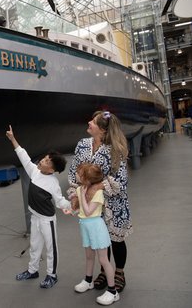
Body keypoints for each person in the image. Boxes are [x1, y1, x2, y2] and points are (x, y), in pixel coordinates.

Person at [68, 110, 132, 293]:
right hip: (92, 204)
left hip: (114, 204)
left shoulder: (116, 149)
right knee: (100, 241)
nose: (89, 122)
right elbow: (74, 172)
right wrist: (76, 194)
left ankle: (119, 272)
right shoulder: (82, 145)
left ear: (103, 130)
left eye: (93, 122)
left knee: (116, 240)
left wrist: (96, 187)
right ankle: (105, 270)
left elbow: (121, 180)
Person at [6, 125, 72, 289]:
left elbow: (60, 201)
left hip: (47, 220)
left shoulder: (53, 184)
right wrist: (13, 139)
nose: (43, 160)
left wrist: (73, 205)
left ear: (52, 169)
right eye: (45, 157)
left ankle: (52, 275)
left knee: (51, 247)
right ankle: (32, 270)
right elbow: (24, 157)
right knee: (35, 246)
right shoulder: (35, 171)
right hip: (35, 216)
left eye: (48, 161)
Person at [73, 163, 119, 305]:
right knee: (89, 256)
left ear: (86, 178)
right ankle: (88, 280)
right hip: (85, 227)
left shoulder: (97, 192)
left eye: (79, 174)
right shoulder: (82, 188)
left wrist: (80, 194)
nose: (76, 175)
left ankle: (113, 291)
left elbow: (88, 211)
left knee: (103, 260)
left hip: (96, 228)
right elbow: (81, 211)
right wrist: (72, 208)